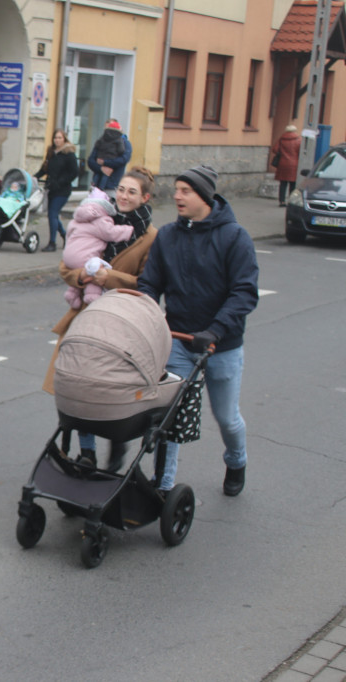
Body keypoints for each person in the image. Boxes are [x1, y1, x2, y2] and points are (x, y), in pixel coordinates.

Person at [138, 164, 259, 496]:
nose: (176, 196)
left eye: (185, 190)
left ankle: (236, 460)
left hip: (221, 345)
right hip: (177, 339)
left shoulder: (234, 237)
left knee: (227, 418)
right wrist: (146, 315)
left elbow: (244, 292)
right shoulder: (168, 236)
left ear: (205, 196)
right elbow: (150, 283)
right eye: (176, 189)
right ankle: (163, 486)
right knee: (170, 414)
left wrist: (216, 331)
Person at [44, 166, 159, 471]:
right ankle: (87, 452)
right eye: (120, 189)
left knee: (112, 389)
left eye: (131, 192)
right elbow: (68, 263)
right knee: (83, 385)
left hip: (122, 323)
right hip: (87, 318)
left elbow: (148, 284)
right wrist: (82, 276)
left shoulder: (150, 237)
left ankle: (117, 445)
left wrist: (110, 277)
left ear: (145, 198)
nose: (123, 196)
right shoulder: (100, 218)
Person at [60, 187, 132, 309]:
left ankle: (71, 293)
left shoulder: (76, 220)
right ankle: (92, 295)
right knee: (96, 269)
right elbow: (111, 233)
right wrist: (128, 230)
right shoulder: (100, 220)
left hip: (68, 256)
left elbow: (68, 235)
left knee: (80, 272)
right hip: (85, 257)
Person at [35, 128, 80, 252]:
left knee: (52, 214)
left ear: (64, 139)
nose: (57, 140)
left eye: (60, 138)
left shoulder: (69, 154)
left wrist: (61, 182)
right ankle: (65, 235)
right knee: (53, 215)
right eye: (55, 138)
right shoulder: (51, 152)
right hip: (51, 188)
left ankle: (52, 243)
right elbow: (45, 168)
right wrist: (35, 176)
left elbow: (74, 172)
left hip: (62, 190)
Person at [87, 119, 132, 194]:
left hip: (113, 184)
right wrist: (101, 168)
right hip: (96, 184)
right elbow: (91, 161)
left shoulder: (124, 143)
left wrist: (105, 162)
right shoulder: (101, 141)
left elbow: (124, 159)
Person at [272, 124, 301, 207]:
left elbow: (275, 149)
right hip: (294, 164)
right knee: (293, 184)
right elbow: (301, 152)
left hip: (282, 163)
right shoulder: (298, 140)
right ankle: (291, 201)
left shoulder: (281, 139)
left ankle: (282, 201)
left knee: (283, 183)